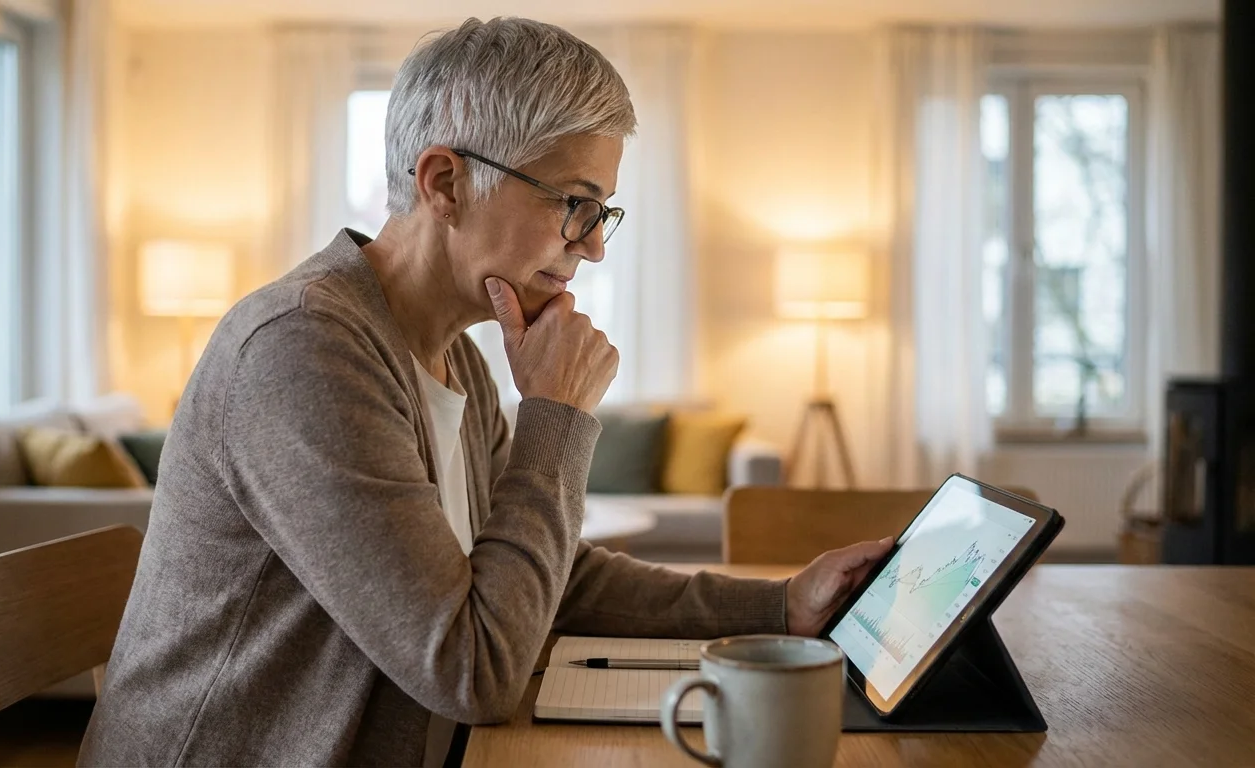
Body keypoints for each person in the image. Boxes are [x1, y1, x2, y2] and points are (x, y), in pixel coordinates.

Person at [78, 17, 891, 767]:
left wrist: (782, 605)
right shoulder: (303, 349)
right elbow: (474, 670)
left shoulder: (450, 355)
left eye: (602, 213)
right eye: (574, 205)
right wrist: (556, 418)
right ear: (444, 182)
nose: (593, 249)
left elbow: (545, 581)